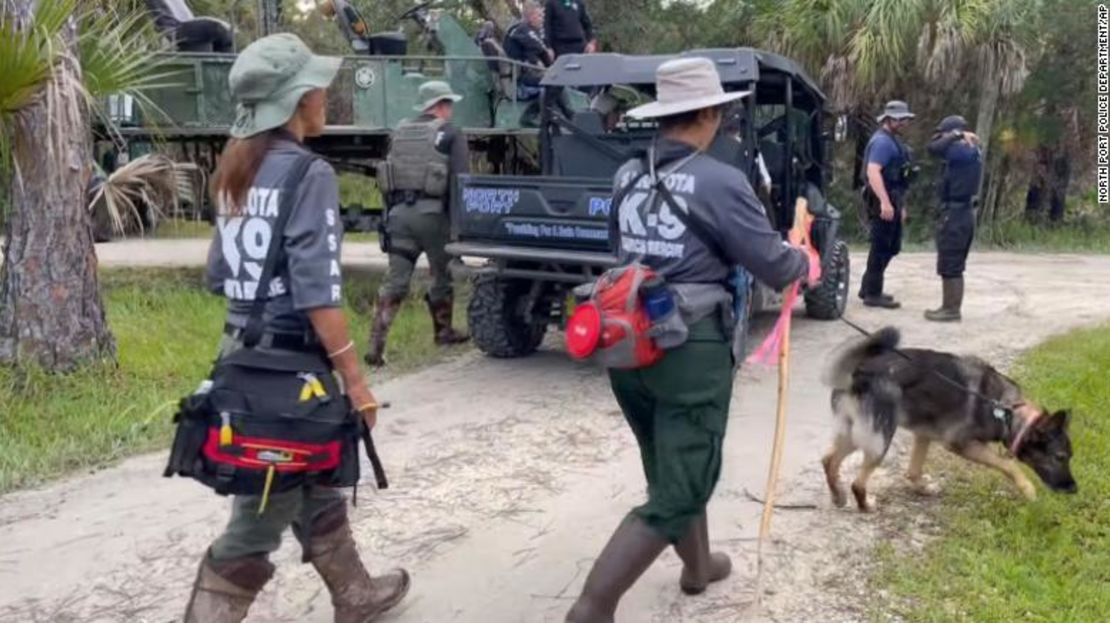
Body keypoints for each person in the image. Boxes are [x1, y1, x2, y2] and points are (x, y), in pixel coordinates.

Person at [564, 58, 813, 622]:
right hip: (690, 349)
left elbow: (621, 254)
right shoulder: (722, 181)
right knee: (681, 485)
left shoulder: (627, 174)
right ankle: (593, 606)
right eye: (720, 110)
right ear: (705, 113)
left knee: (669, 463)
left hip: (627, 342)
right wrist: (804, 256)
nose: (723, 118)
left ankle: (698, 567)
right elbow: (775, 266)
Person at [192, 33, 409, 622]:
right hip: (288, 373)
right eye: (319, 88)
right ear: (298, 100)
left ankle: (354, 594)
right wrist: (358, 383)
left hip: (242, 358)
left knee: (311, 473)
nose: (326, 96)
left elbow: (218, 274)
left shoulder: (237, 167)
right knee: (256, 523)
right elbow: (319, 293)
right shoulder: (307, 173)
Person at [366, 81, 470, 366]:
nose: (450, 110)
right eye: (448, 104)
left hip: (399, 215)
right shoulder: (451, 133)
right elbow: (461, 182)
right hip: (434, 217)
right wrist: (459, 227)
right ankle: (443, 332)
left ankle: (375, 345)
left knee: (395, 281)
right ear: (440, 105)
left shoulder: (398, 133)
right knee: (441, 274)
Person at [924, 115, 983, 322]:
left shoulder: (960, 149)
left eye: (943, 133)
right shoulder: (970, 150)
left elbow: (932, 148)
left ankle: (951, 309)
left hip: (956, 213)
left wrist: (954, 135)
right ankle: (949, 306)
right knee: (953, 262)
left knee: (951, 262)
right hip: (962, 212)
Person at [859, 100, 916, 309]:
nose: (904, 123)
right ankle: (872, 293)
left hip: (893, 197)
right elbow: (873, 171)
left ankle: (869, 287)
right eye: (901, 120)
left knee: (890, 247)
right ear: (890, 119)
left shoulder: (892, 141)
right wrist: (884, 202)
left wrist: (899, 205)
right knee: (881, 247)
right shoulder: (883, 142)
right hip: (883, 199)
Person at [144, 0, 233, 53]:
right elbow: (169, 21)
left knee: (226, 32)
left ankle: (223, 69)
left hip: (186, 25)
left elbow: (188, 17)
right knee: (217, 28)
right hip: (177, 30)